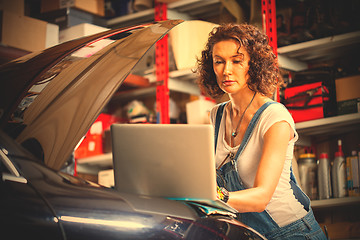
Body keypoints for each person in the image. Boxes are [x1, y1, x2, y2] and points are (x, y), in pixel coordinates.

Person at [196, 23, 327, 239]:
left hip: (292, 232)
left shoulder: (274, 117)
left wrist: (210, 195)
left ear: (253, 65)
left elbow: (261, 198)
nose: (226, 70)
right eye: (219, 62)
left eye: (236, 61)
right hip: (250, 234)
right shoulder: (216, 116)